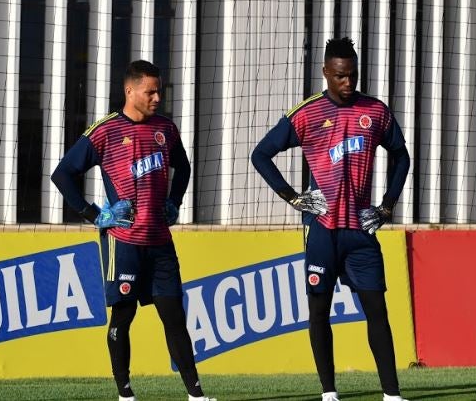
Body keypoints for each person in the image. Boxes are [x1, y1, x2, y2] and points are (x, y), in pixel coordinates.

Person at [251, 37, 411, 401]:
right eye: (340, 76)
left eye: (352, 75)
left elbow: (402, 157)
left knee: (377, 310)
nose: (347, 82)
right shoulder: (306, 113)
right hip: (322, 232)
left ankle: (391, 394)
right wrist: (292, 197)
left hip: (360, 232)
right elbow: (260, 154)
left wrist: (387, 205)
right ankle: (329, 392)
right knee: (319, 311)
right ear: (325, 73)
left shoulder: (376, 111)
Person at [51, 60, 214, 401]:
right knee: (122, 318)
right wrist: (94, 214)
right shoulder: (105, 131)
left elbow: (182, 167)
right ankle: (125, 394)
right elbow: (63, 174)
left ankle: (196, 396)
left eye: (160, 91)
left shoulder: (166, 130)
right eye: (150, 91)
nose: (157, 98)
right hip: (123, 242)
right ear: (130, 90)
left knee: (175, 318)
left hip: (160, 243)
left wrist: (175, 201)